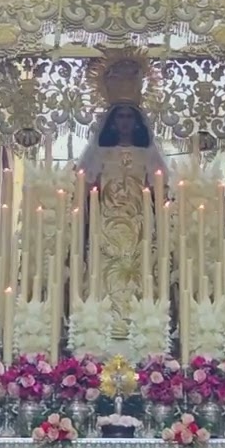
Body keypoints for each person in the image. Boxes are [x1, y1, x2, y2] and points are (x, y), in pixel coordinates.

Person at [76, 104, 168, 332]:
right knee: (105, 266)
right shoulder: (99, 152)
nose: (125, 122)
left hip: (139, 223)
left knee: (140, 266)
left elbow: (160, 187)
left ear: (136, 121)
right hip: (106, 222)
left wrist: (151, 191)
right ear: (112, 122)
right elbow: (86, 185)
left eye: (129, 116)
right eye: (120, 117)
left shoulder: (147, 153)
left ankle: (140, 321)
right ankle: (102, 320)